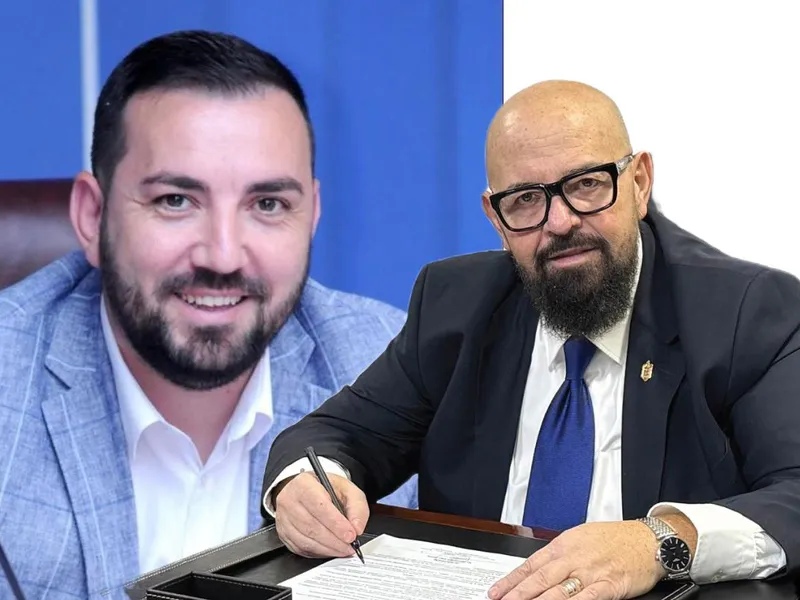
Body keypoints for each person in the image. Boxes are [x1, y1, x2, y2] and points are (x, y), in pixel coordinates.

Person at [262, 80, 800, 600]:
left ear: (639, 183)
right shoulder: (456, 305)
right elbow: (333, 436)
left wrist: (658, 542)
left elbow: (795, 494)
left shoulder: (744, 312)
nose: (559, 222)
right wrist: (305, 487)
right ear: (496, 218)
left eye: (586, 185)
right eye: (525, 199)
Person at [0, 30, 417, 600]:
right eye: (176, 200)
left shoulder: (396, 365)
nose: (222, 256)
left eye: (267, 204)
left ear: (312, 215)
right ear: (92, 216)